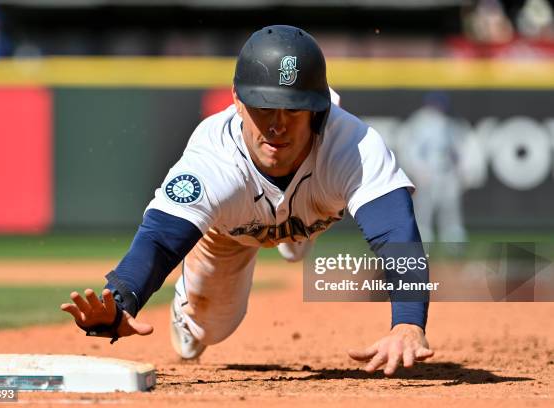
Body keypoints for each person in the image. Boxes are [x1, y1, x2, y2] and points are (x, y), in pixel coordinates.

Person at [61, 25, 434, 377]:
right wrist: (123, 299)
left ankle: (295, 239)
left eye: (293, 108)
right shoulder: (212, 160)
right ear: (237, 101)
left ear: (318, 109)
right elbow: (158, 240)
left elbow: (396, 235)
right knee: (211, 328)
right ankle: (187, 307)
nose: (277, 125)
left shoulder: (353, 144)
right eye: (264, 106)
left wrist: (408, 322)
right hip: (229, 231)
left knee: (301, 228)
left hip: (312, 209)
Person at [399, 91, 467, 243]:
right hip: (427, 173)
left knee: (450, 211)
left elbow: (456, 151)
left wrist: (459, 170)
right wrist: (418, 170)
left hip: (446, 173)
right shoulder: (418, 122)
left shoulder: (450, 123)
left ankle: (454, 244)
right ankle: (421, 244)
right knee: (423, 213)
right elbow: (410, 150)